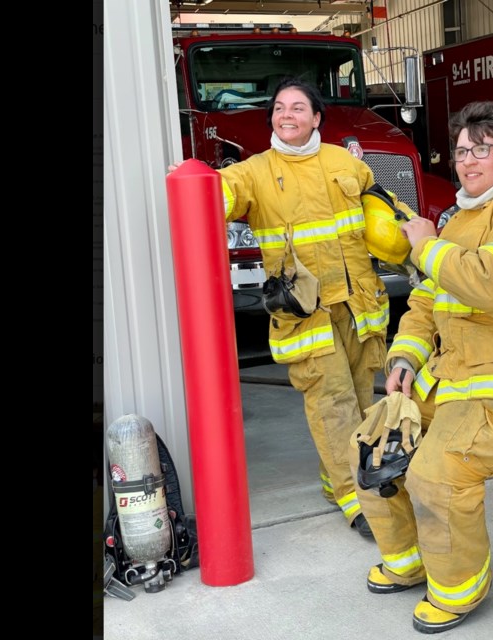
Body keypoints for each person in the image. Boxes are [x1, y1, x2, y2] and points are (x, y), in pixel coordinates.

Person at [170, 77, 413, 538]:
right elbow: (217, 194)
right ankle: (352, 496)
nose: (287, 115)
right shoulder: (254, 171)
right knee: (332, 403)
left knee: (362, 399)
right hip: (307, 313)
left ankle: (336, 474)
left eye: (298, 108)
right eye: (280, 108)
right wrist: (193, 180)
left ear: (317, 117)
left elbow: (383, 207)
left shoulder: (345, 161)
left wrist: (419, 240)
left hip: (360, 306)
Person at [350, 101, 493, 633]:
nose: (468, 161)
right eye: (461, 151)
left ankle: (458, 590)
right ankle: (408, 563)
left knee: (439, 473)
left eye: (482, 149)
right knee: (371, 442)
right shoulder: (458, 216)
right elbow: (425, 305)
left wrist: (426, 247)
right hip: (449, 376)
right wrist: (406, 356)